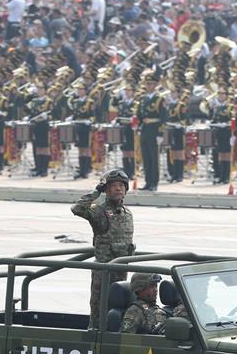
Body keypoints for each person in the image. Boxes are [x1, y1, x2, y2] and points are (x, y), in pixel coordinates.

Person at [71, 169, 135, 328]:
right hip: (103, 272)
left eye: (121, 185)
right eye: (113, 186)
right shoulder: (99, 210)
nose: (118, 189)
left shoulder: (127, 213)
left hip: (121, 271)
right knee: (99, 309)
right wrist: (96, 191)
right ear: (106, 190)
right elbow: (77, 208)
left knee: (119, 309)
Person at [135, 72, 166, 191]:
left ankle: (154, 182)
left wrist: (160, 134)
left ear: (155, 84)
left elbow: (163, 118)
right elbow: (139, 116)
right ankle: (147, 182)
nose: (148, 86)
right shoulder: (142, 99)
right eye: (147, 84)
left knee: (154, 158)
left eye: (151, 84)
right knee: (146, 158)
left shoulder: (159, 99)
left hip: (154, 130)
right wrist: (136, 124)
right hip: (144, 131)